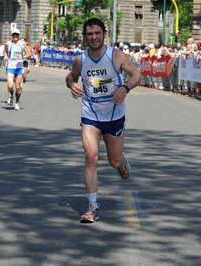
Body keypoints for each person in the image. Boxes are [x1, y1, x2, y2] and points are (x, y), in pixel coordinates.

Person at [65, 18, 142, 223]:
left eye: (97, 33)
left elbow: (136, 75)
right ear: (86, 36)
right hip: (90, 114)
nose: (94, 37)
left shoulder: (115, 56)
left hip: (115, 114)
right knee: (90, 157)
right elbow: (70, 77)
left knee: (113, 161)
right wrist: (72, 84)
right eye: (90, 34)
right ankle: (93, 207)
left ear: (104, 34)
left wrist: (125, 88)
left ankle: (121, 161)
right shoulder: (81, 60)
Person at [3, 28, 30, 111]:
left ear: (19, 35)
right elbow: (4, 51)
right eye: (13, 34)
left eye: (16, 35)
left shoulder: (23, 44)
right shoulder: (8, 44)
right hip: (10, 66)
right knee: (10, 86)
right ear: (11, 35)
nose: (15, 36)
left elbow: (29, 54)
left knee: (18, 87)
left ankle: (17, 103)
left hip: (19, 67)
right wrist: (6, 56)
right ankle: (11, 97)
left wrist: (22, 57)